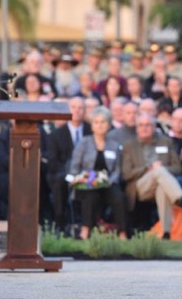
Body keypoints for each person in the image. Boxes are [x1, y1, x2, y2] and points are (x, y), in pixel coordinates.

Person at [121, 113, 182, 239]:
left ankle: (166, 233)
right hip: (140, 186)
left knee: (162, 186)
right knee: (158, 171)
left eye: (148, 125)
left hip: (163, 183)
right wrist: (148, 169)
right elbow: (127, 174)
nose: (144, 128)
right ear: (137, 128)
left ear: (155, 127)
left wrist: (161, 170)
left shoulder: (166, 142)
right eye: (141, 125)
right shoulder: (129, 145)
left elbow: (177, 168)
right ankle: (179, 197)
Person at [69, 107, 127, 240]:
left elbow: (117, 170)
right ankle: (85, 230)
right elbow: (75, 167)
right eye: (96, 122)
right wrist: (83, 179)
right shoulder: (84, 143)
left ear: (109, 124)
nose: (100, 125)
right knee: (90, 197)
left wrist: (110, 181)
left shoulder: (114, 145)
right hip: (87, 184)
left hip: (107, 183)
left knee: (119, 198)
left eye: (103, 122)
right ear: (92, 125)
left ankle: (123, 232)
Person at [46, 97, 92, 233]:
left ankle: (87, 225)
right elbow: (53, 161)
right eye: (73, 107)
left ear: (85, 111)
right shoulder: (56, 135)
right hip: (63, 173)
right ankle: (60, 223)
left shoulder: (91, 131)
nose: (77, 111)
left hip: (87, 173)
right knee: (59, 181)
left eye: (80, 108)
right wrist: (71, 174)